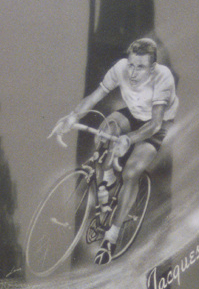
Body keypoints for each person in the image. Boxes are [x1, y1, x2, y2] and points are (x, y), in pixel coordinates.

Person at [51, 38, 178, 264]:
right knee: (104, 132)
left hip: (155, 125)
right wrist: (72, 117)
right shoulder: (120, 68)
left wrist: (129, 139)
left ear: (152, 68)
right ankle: (107, 184)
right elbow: (96, 96)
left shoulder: (163, 77)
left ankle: (112, 236)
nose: (133, 72)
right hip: (133, 113)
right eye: (131, 64)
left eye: (140, 67)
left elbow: (156, 124)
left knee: (131, 172)